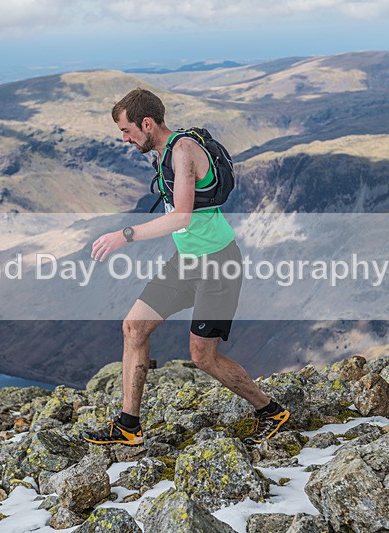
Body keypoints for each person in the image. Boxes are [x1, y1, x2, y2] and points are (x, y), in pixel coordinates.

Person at [81, 88, 289, 446]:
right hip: (187, 262)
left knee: (203, 357)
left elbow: (181, 217)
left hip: (218, 265)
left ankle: (270, 411)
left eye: (127, 131)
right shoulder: (161, 153)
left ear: (147, 123)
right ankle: (129, 425)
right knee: (133, 328)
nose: (126, 139)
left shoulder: (183, 151)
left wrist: (124, 236)